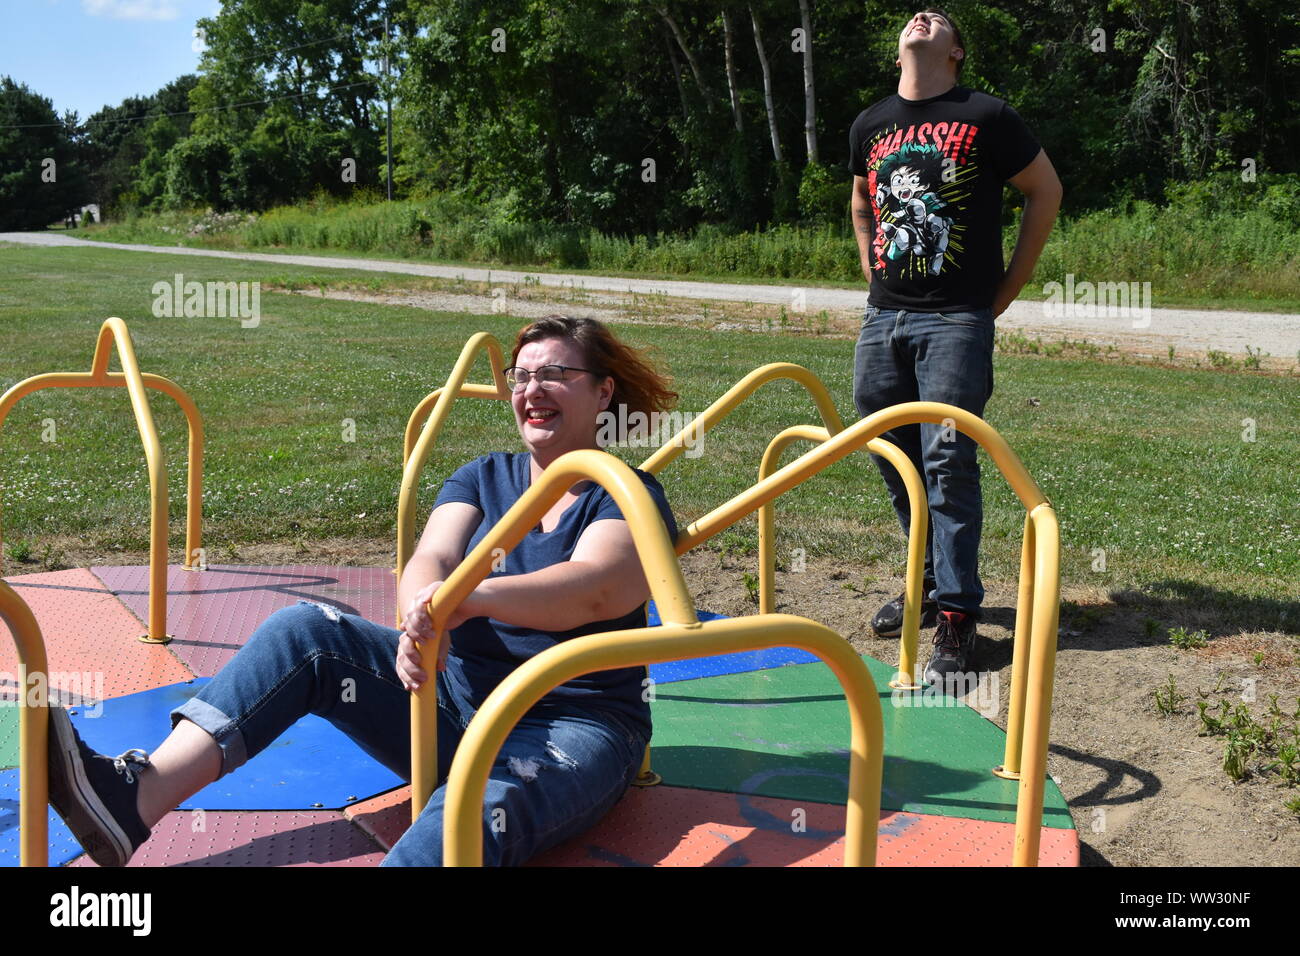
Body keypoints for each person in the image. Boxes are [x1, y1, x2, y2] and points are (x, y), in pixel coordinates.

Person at [46, 314, 680, 866]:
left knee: (466, 812)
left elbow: (597, 589)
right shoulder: (483, 476)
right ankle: (132, 799)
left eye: (554, 375)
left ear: (603, 392)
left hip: (571, 723)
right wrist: (420, 617)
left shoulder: (623, 492)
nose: (531, 390)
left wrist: (468, 598)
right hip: (454, 708)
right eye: (520, 376)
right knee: (306, 632)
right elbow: (429, 556)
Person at [848, 8, 1061, 686]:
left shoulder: (987, 115)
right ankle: (929, 582)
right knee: (890, 451)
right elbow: (860, 198)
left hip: (956, 319)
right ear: (898, 52)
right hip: (885, 319)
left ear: (956, 52)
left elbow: (1045, 191)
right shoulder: (870, 122)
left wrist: (1005, 291)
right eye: (915, 16)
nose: (921, 16)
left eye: (937, 18)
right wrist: (870, 269)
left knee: (946, 458)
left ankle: (959, 617)